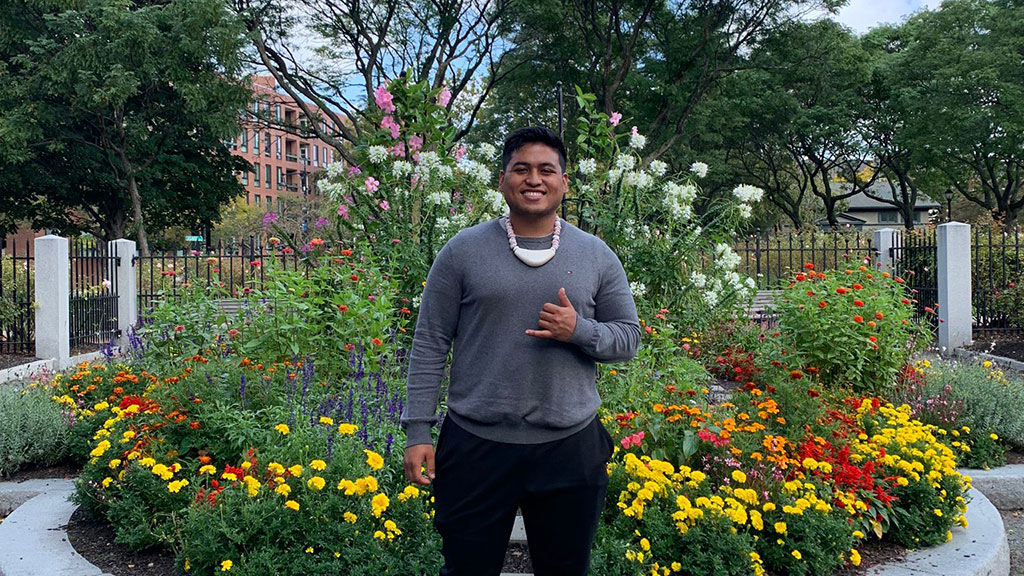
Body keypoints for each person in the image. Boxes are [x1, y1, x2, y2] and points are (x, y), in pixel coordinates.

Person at [401, 126, 641, 576]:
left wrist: (579, 331)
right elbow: (430, 340)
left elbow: (628, 337)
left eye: (547, 170)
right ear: (502, 180)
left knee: (565, 569)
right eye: (522, 169)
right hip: (475, 447)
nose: (534, 179)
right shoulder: (462, 252)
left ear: (564, 183)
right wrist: (418, 431)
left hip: (570, 447)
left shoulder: (596, 255)